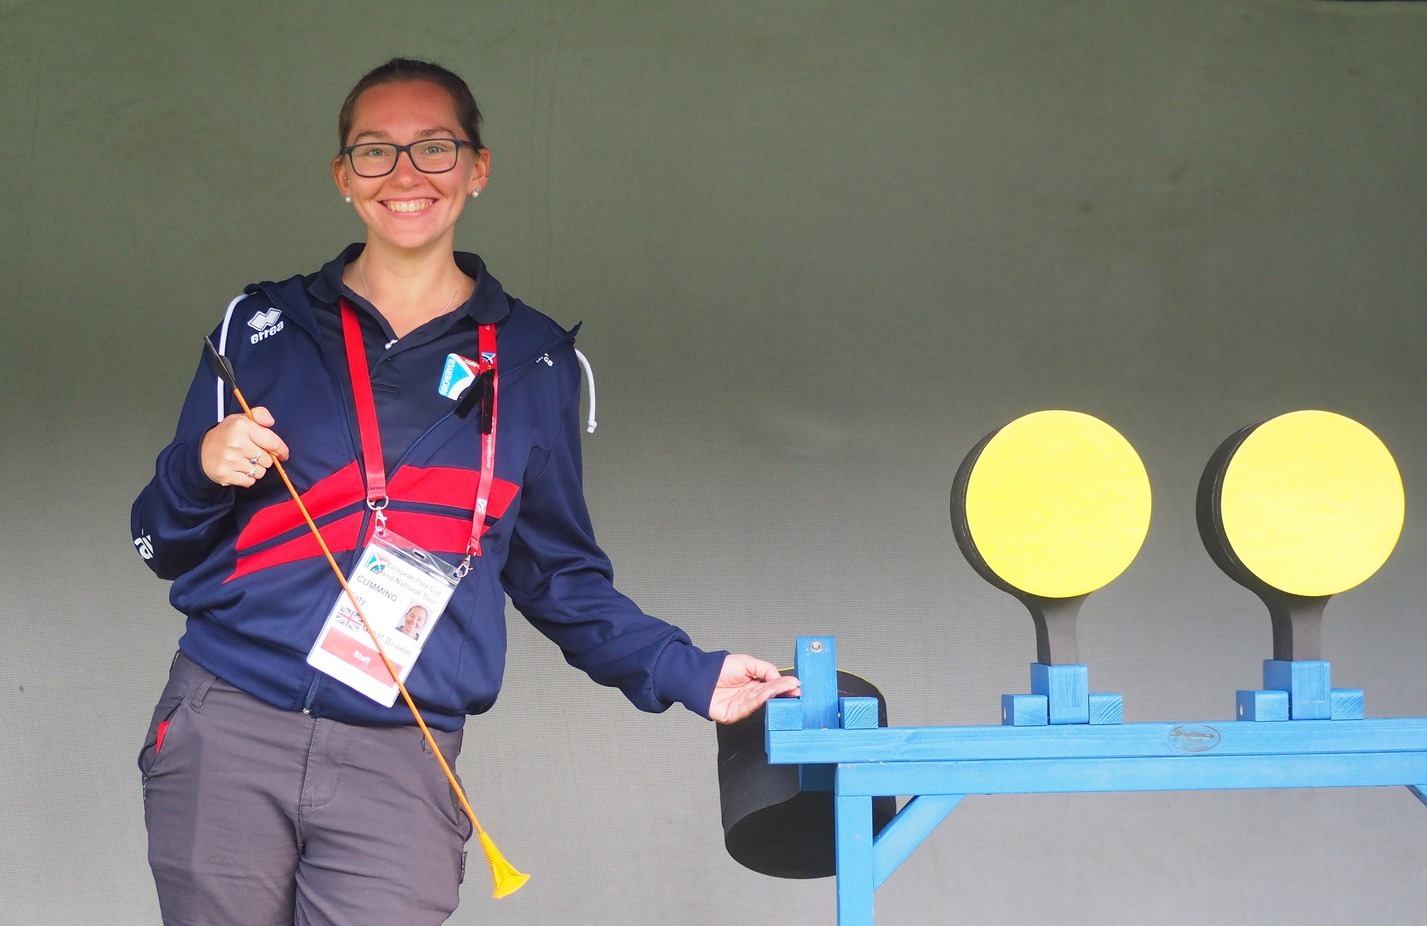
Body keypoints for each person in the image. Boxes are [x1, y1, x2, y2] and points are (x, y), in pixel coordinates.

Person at [131, 57, 800, 926]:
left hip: (401, 754)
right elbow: (158, 540)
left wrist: (690, 673)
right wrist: (198, 466)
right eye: (374, 152)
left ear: (477, 168)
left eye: (434, 148)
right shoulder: (257, 328)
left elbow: (557, 576)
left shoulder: (534, 363)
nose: (405, 175)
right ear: (343, 176)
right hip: (228, 725)